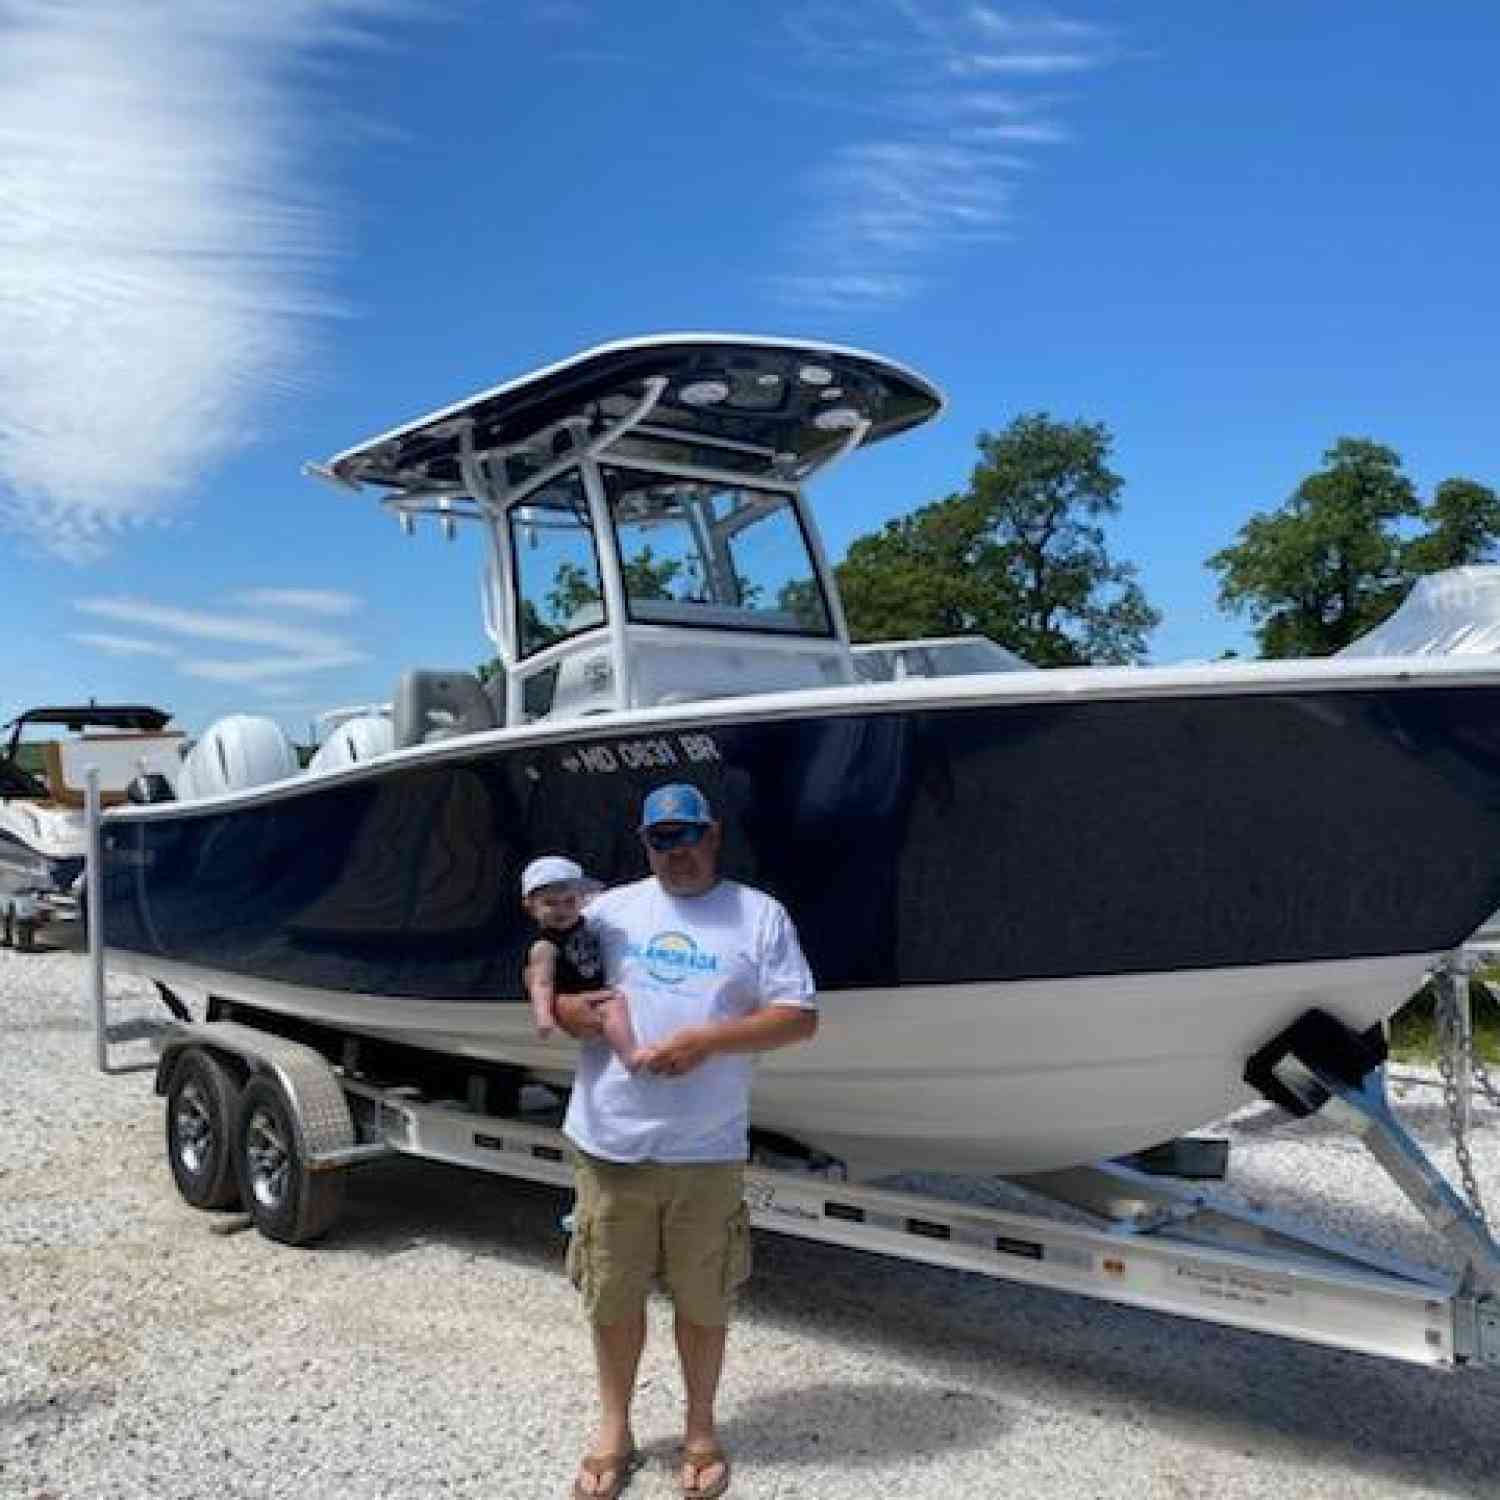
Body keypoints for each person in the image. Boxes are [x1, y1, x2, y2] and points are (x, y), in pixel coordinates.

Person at [553, 783, 818, 1500]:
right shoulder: (606, 913)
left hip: (706, 1151)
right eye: (662, 838)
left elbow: (799, 1019)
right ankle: (615, 1426)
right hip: (611, 1144)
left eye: (691, 834)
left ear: (715, 834)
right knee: (612, 1296)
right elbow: (555, 997)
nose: (679, 850)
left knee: (705, 1300)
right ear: (645, 843)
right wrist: (576, 1011)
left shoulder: (758, 916)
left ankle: (700, 1428)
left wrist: (708, 1041)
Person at [522, 854, 642, 1071]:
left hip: (596, 985)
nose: (562, 910)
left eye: (570, 901)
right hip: (580, 995)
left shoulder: (588, 923)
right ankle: (630, 1056)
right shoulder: (545, 946)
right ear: (531, 907)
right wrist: (544, 1016)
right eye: (550, 903)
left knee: (618, 1006)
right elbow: (540, 983)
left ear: (583, 900)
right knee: (614, 1006)